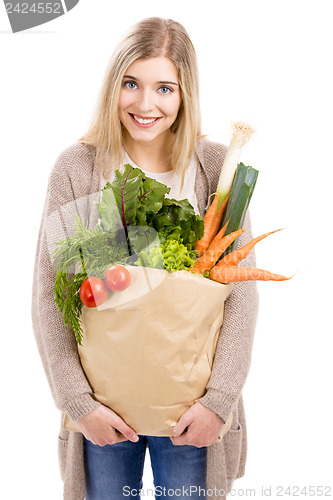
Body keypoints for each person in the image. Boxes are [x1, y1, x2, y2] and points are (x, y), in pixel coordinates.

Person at [32, 17, 258, 500]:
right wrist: (78, 402)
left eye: (164, 88)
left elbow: (239, 296)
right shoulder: (78, 169)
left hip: (191, 410)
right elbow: (51, 299)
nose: (145, 103)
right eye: (131, 84)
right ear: (114, 85)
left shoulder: (216, 168)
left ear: (184, 94)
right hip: (103, 411)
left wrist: (218, 402)